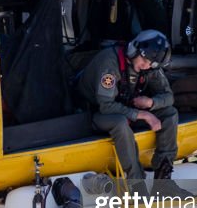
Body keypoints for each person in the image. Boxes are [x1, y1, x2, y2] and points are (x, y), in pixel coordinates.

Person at [77, 29, 180, 185]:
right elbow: (106, 106)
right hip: (97, 113)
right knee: (120, 123)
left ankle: (163, 176)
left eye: (149, 65)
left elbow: (169, 97)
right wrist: (143, 114)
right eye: (143, 61)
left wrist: (151, 103)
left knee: (170, 114)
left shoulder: (149, 66)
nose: (145, 67)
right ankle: (136, 183)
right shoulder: (110, 65)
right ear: (134, 50)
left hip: (126, 110)